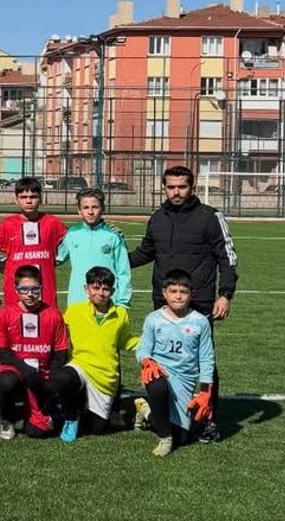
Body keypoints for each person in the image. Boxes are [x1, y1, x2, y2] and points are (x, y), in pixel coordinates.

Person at [129, 164, 236, 443]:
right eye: (171, 187)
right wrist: (114, 257)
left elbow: (227, 258)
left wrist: (225, 294)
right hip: (162, 302)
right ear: (164, 188)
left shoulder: (210, 217)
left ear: (192, 187)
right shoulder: (157, 217)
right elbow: (145, 252)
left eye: (182, 187)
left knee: (203, 360)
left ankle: (209, 418)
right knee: (161, 359)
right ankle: (161, 412)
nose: (176, 192)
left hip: (198, 302)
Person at [50, 266, 138, 442]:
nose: (100, 293)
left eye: (106, 289)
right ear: (86, 289)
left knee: (96, 429)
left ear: (112, 291)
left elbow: (126, 340)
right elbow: (57, 332)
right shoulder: (74, 311)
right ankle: (71, 417)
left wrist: (151, 344)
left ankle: (82, 403)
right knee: (62, 378)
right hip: (79, 366)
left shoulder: (121, 314)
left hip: (104, 376)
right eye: (96, 288)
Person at [135, 270, 216, 457]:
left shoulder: (200, 322)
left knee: (181, 438)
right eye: (173, 291)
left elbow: (206, 357)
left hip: (185, 379)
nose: (178, 296)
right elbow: (143, 348)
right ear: (164, 293)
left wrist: (205, 390)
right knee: (157, 386)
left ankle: (144, 409)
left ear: (191, 294)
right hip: (159, 373)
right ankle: (165, 438)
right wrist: (147, 361)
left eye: (183, 292)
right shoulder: (153, 319)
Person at [0, 265, 69, 440]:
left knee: (36, 431)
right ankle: (7, 419)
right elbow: (2, 351)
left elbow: (60, 352)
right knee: (6, 382)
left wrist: (50, 380)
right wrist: (25, 370)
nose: (30, 294)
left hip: (42, 373)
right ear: (16, 289)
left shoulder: (53, 314)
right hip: (15, 368)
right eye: (24, 289)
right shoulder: (5, 313)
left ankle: (38, 411)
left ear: (41, 288)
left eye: (35, 289)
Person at [0, 178, 68, 308]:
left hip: (46, 290)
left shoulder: (53, 223)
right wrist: (5, 268)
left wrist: (56, 260)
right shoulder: (6, 225)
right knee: (16, 319)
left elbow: (71, 241)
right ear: (16, 200)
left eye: (33, 197)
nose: (29, 201)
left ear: (40, 198)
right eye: (23, 197)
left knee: (46, 319)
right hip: (15, 291)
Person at [57, 189, 131, 307]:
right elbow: (55, 259)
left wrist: (123, 303)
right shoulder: (72, 234)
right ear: (79, 210)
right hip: (77, 300)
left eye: (95, 207)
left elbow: (123, 272)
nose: (90, 212)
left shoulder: (113, 236)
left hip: (106, 300)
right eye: (85, 207)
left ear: (103, 209)